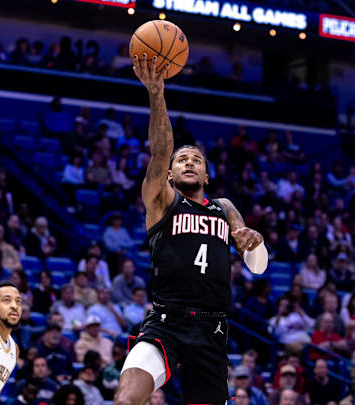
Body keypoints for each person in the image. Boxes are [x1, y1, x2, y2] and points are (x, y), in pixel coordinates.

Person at [114, 54, 268, 405]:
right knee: (125, 399)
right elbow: (160, 150)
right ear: (168, 174)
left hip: (212, 329)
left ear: (206, 175)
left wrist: (253, 241)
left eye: (197, 159)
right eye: (182, 159)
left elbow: (257, 265)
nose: (189, 162)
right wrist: (157, 93)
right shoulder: (161, 201)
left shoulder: (224, 207)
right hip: (166, 320)